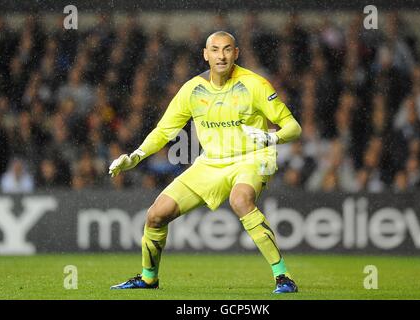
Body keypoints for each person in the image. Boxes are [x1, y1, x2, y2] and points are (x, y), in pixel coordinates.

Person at [108, 31, 301, 293]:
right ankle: (148, 277)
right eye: (215, 50)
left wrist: (272, 139)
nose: (221, 56)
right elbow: (165, 130)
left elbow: (293, 127)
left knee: (240, 200)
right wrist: (137, 156)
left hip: (252, 157)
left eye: (227, 49)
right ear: (205, 54)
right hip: (210, 163)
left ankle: (283, 277)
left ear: (236, 53)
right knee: (155, 215)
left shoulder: (255, 84)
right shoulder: (192, 89)